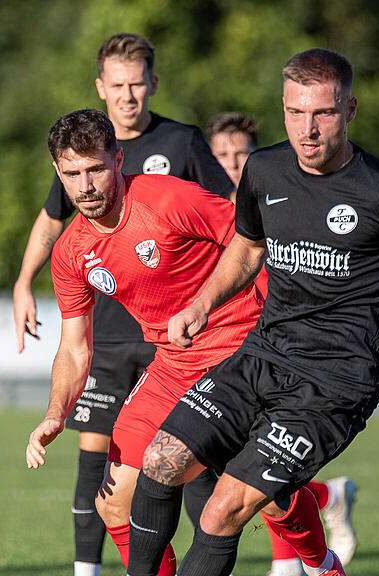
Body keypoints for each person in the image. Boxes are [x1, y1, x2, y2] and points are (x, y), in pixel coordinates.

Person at [126, 48, 379, 576]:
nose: (308, 129)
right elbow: (247, 249)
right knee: (161, 460)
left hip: (333, 383)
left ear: (349, 110)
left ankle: (317, 557)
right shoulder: (264, 169)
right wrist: (201, 304)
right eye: (295, 112)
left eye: (323, 113)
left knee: (221, 511)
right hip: (262, 356)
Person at [12, 33, 232, 576]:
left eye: (95, 170)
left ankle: (319, 560)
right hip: (161, 357)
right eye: (72, 175)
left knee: (237, 497)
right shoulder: (73, 253)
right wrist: (53, 413)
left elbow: (247, 237)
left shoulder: (170, 188)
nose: (85, 186)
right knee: (111, 497)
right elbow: (72, 348)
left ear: (119, 159)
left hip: (234, 345)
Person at [207, 112, 359, 575]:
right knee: (232, 469)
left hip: (282, 351)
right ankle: (328, 498)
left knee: (261, 467)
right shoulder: (206, 209)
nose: (233, 164)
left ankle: (288, 566)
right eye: (222, 156)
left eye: (242, 154)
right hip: (225, 350)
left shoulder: (285, 200)